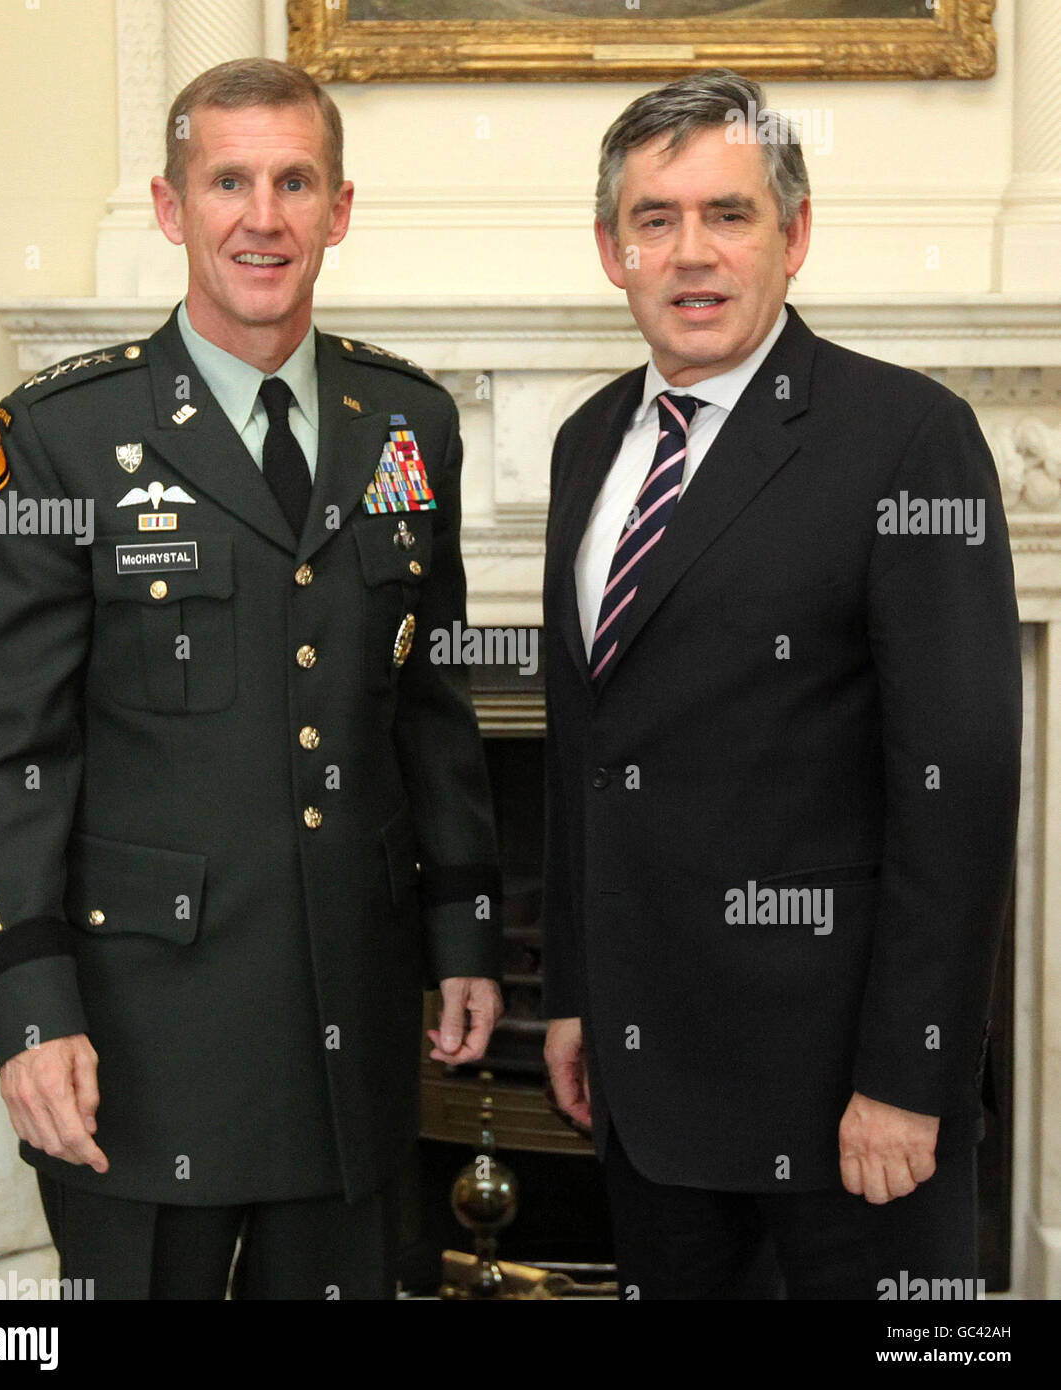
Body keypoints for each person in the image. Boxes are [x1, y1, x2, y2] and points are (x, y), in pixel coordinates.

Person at [0, 58, 502, 1300]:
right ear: (170, 205)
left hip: (346, 1022)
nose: (263, 215)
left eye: (295, 181)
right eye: (228, 180)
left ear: (338, 209)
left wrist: (464, 930)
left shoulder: (408, 425)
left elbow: (432, 700)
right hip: (137, 1042)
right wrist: (29, 1008)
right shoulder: (66, 437)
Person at [541, 69, 1021, 1300]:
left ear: (793, 234)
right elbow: (583, 747)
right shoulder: (588, 441)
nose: (689, 253)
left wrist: (911, 1075)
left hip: (844, 1110)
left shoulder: (907, 440)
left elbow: (957, 789)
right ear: (611, 250)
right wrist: (576, 995)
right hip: (650, 1091)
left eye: (728, 214)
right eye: (654, 220)